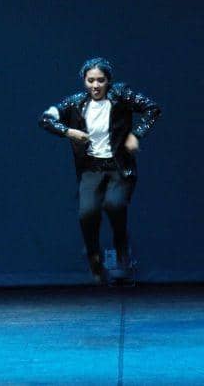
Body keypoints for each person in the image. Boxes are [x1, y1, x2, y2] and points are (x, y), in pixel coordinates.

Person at [39, 57, 161, 284]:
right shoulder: (76, 103)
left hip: (119, 166)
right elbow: (46, 119)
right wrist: (68, 132)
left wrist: (136, 134)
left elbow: (152, 108)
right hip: (91, 168)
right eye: (90, 80)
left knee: (114, 205)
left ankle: (122, 247)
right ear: (84, 81)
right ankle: (93, 256)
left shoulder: (121, 95)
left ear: (109, 81)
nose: (95, 85)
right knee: (87, 212)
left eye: (100, 80)